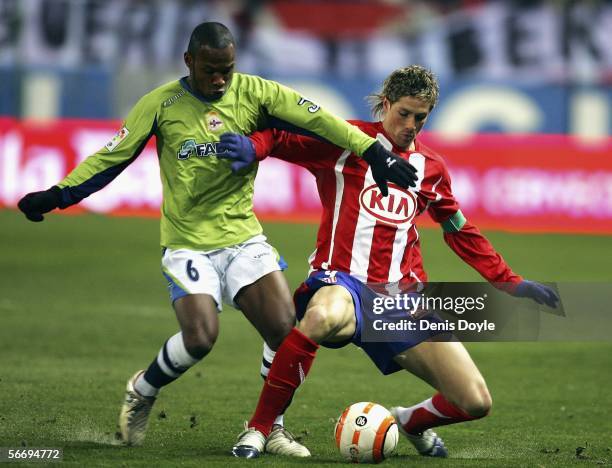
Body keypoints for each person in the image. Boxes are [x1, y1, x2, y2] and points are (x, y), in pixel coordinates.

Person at [15, 22, 418, 457]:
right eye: (211, 70)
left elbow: (319, 119)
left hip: (242, 237)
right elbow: (113, 156)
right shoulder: (161, 104)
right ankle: (143, 389)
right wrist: (60, 195)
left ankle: (271, 427)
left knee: (287, 334)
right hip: (188, 242)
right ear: (189, 62)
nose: (220, 79)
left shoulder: (256, 93)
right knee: (201, 337)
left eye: (227, 69)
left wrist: (372, 151)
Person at [219, 65, 559, 458]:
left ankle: (411, 421)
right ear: (385, 105)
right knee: (320, 317)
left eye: (421, 117)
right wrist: (254, 148)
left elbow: (458, 230)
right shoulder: (346, 140)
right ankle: (260, 429)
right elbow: (280, 136)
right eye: (404, 113)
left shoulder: (431, 170)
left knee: (475, 401)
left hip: (401, 300)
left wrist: (509, 281)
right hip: (341, 281)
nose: (411, 125)